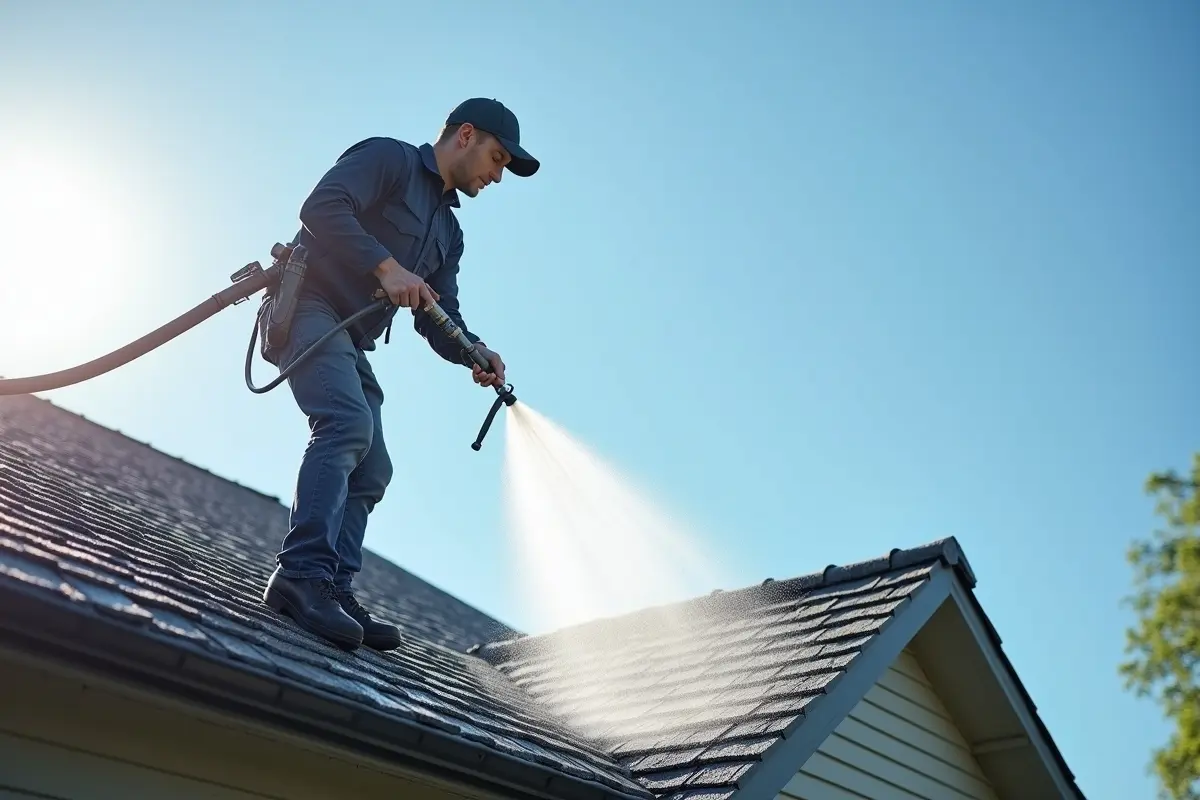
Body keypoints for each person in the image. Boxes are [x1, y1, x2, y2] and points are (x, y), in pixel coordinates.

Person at [259, 98, 539, 652]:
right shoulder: (388, 160)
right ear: (465, 135)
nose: (497, 175)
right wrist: (385, 266)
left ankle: (333, 588)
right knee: (345, 424)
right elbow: (321, 207)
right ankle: (299, 576)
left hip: (351, 338)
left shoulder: (449, 234)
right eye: (497, 157)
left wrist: (473, 351)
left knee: (373, 467)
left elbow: (439, 314)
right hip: (308, 306)